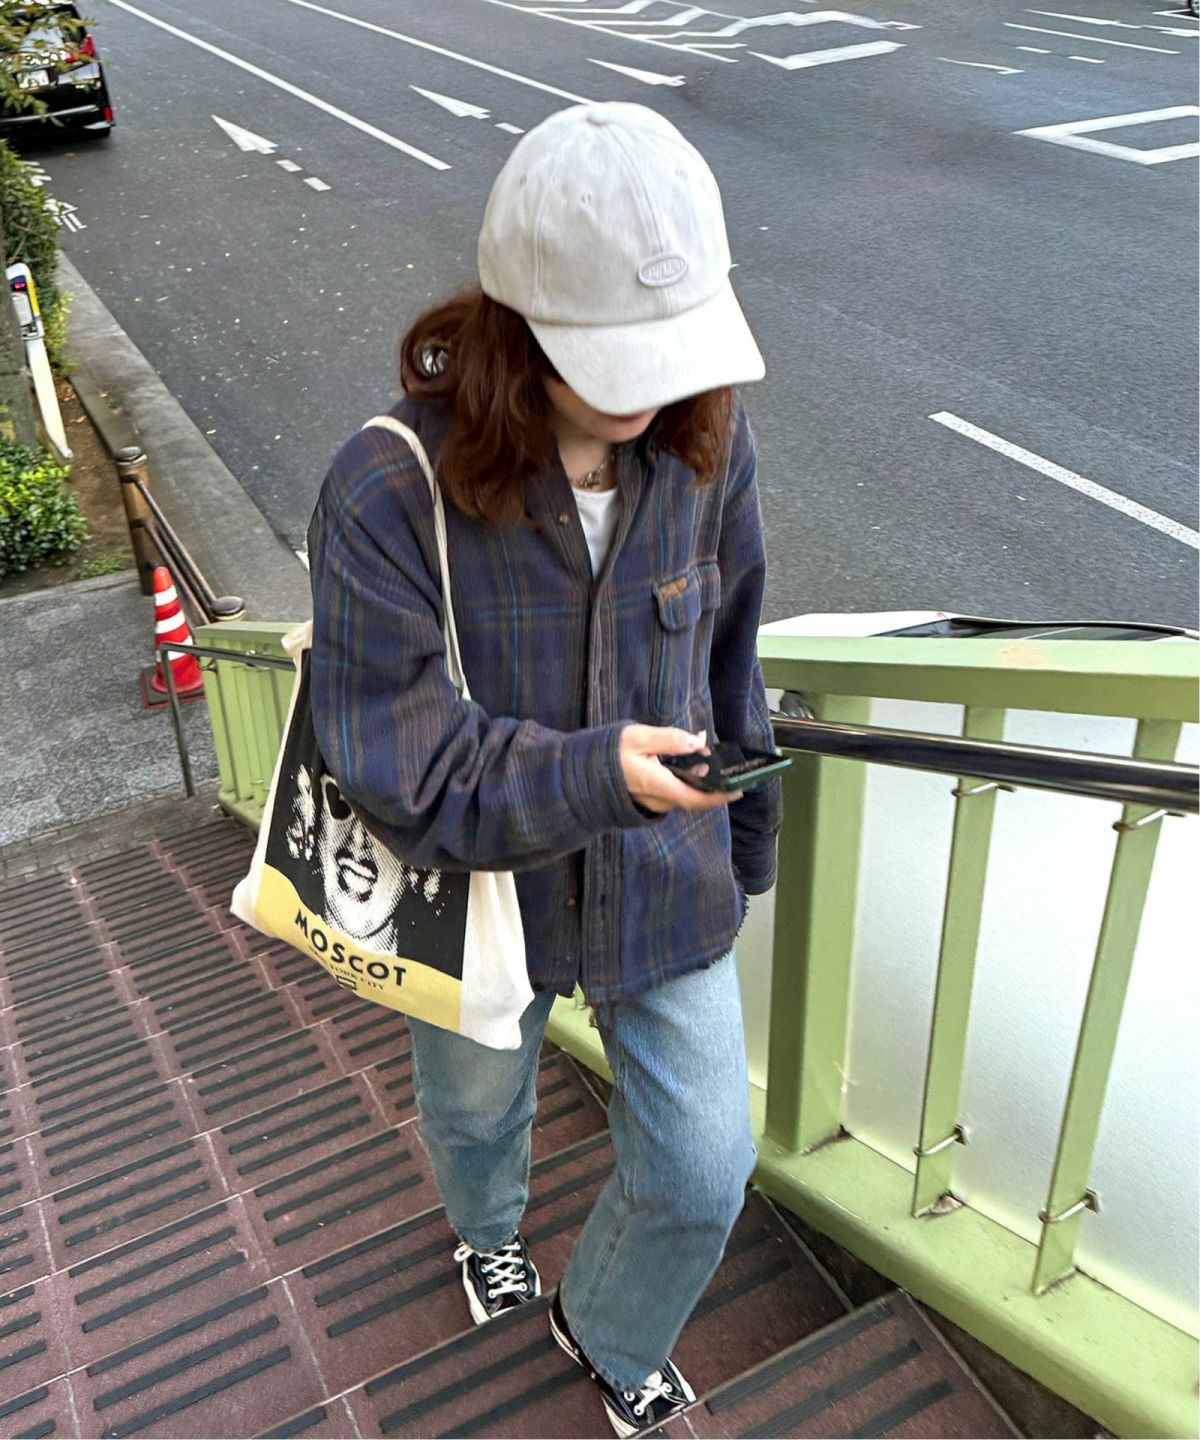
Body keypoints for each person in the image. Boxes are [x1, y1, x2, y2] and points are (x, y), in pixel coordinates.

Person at [307, 101, 782, 1437]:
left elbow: (733, 650)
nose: (649, 387)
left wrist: (748, 852)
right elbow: (399, 757)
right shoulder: (387, 488)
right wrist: (596, 774)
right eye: (609, 351)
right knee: (473, 1110)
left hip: (666, 872)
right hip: (477, 891)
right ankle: (489, 1233)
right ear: (516, 326)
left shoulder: (708, 444)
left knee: (705, 1167)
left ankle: (608, 1325)